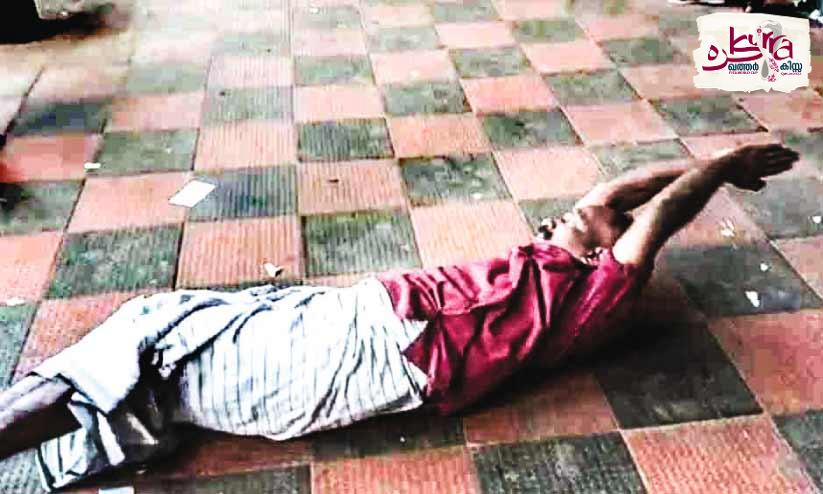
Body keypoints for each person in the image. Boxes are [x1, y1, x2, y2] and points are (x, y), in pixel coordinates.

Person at [0, 144, 798, 491]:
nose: (571, 210)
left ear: (604, 251)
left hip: (377, 359)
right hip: (354, 320)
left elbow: (654, 213)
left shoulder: (595, 296)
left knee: (146, 351)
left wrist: (718, 171)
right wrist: (712, 163)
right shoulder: (557, 253)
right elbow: (621, 193)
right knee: (152, 343)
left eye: (587, 221)